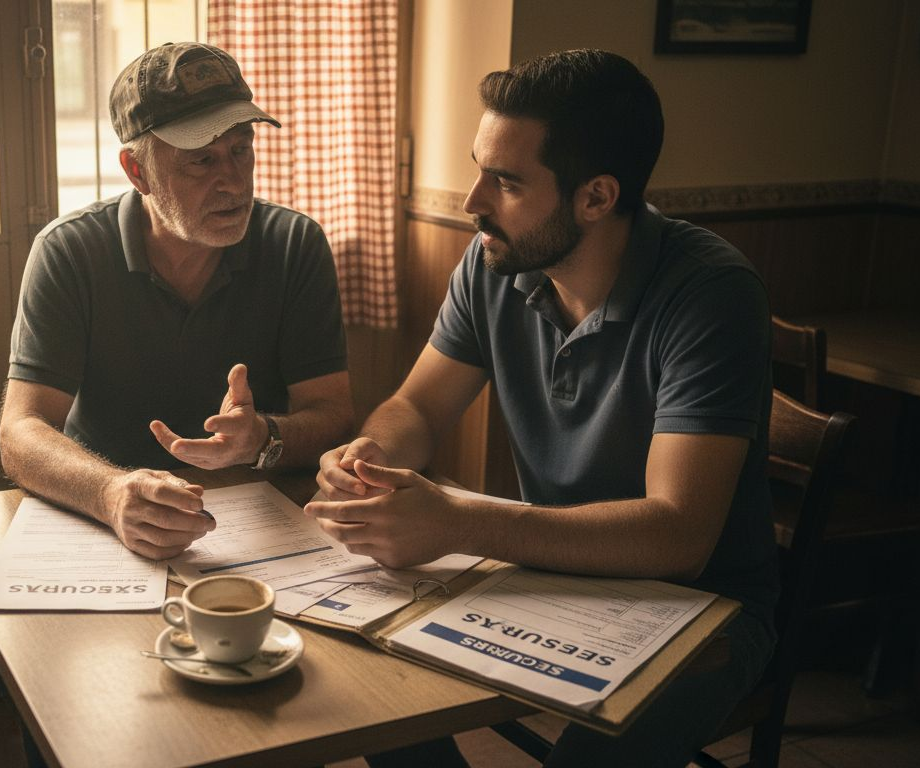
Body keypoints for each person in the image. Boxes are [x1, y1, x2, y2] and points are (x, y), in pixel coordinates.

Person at [308, 49, 776, 768]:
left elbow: (679, 536)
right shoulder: (497, 259)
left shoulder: (710, 293)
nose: (471, 203)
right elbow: (418, 410)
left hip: (703, 608)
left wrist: (461, 522)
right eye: (477, 168)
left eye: (505, 181)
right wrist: (371, 455)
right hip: (548, 575)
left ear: (595, 197)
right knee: (371, 688)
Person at [0, 42, 353, 561]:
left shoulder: (294, 244)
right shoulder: (69, 250)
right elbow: (21, 430)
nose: (232, 182)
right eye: (201, 160)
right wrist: (110, 493)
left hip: (259, 523)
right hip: (107, 520)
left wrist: (262, 438)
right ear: (137, 171)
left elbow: (333, 415)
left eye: (241, 149)